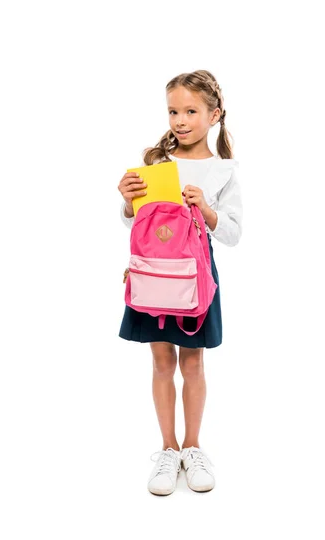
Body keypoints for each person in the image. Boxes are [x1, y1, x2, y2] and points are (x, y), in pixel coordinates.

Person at [117, 69, 243, 495]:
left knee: (193, 362)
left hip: (196, 275)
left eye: (191, 110)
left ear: (214, 115)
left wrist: (206, 211)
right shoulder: (156, 163)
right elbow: (137, 223)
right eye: (174, 110)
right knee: (161, 363)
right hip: (154, 271)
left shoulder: (223, 170)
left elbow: (232, 233)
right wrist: (127, 199)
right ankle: (167, 449)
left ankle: (193, 446)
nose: (181, 120)